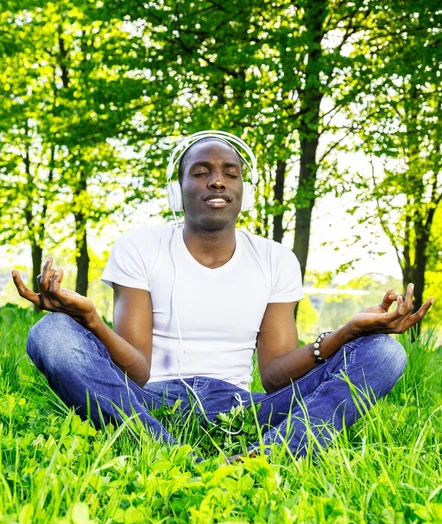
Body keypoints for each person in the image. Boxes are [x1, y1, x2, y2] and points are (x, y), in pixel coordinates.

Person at [12, 131, 434, 461]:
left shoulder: (275, 259)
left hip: (245, 412)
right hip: (151, 402)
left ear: (243, 190)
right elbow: (136, 371)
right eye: (201, 171)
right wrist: (91, 321)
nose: (217, 179)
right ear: (177, 190)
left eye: (231, 172)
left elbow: (273, 375)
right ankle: (169, 454)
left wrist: (347, 332)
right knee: (52, 333)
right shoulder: (139, 248)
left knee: (384, 353)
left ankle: (267, 456)